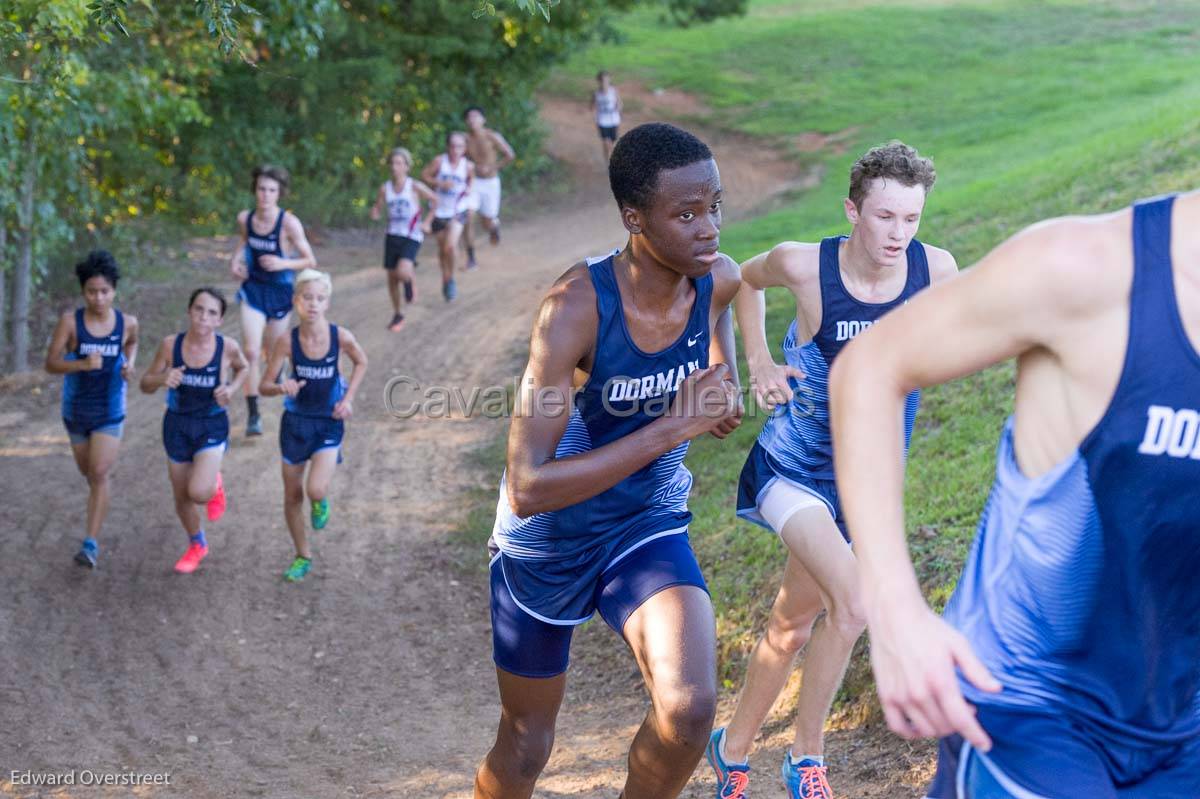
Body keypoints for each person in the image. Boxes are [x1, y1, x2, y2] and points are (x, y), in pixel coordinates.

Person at [830, 191, 1200, 798]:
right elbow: (870, 367)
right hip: (1029, 704)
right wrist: (894, 609)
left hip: (1182, 717)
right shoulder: (1086, 269)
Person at [475, 122, 743, 799]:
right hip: (549, 540)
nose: (709, 227)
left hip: (643, 521)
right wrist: (671, 426)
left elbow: (720, 327)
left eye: (715, 205)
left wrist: (723, 383)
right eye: (686, 214)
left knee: (688, 709)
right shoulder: (575, 308)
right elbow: (530, 483)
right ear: (634, 219)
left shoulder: (716, 279)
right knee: (527, 744)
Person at [707, 142, 957, 799]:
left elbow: (962, 338)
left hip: (861, 488)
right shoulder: (806, 266)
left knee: (790, 626)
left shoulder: (937, 269)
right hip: (791, 470)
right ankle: (806, 759)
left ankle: (730, 751)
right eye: (884, 217)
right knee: (854, 601)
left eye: (911, 218)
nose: (898, 234)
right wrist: (757, 359)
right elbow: (743, 281)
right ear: (852, 210)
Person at [260, 269, 367, 582]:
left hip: (328, 422)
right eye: (307, 298)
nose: (313, 304)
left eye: (320, 298)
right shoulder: (286, 341)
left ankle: (320, 502)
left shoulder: (340, 337)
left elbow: (362, 361)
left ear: (327, 303)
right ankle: (302, 554)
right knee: (292, 496)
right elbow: (264, 384)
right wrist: (282, 387)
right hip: (294, 424)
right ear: (296, 301)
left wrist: (347, 399)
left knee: (315, 488)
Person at [139, 288, 248, 573]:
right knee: (182, 497)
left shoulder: (227, 348)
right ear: (189, 311)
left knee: (199, 492)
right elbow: (144, 384)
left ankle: (215, 486)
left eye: (212, 312)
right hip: (177, 425)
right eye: (199, 309)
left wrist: (232, 389)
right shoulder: (170, 346)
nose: (203, 317)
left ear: (220, 320)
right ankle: (197, 544)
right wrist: (163, 378)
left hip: (211, 424)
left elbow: (244, 368)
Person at [45, 250, 140, 569]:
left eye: (104, 291)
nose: (98, 298)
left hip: (110, 407)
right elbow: (51, 363)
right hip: (76, 410)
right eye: (91, 291)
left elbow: (132, 343)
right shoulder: (71, 323)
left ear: (114, 290)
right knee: (89, 473)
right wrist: (81, 364)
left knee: (99, 472)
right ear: (83, 291)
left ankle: (90, 544)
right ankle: (97, 508)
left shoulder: (127, 323)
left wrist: (129, 363)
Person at [229, 164, 317, 437]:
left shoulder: (288, 223)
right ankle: (254, 413)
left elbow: (310, 260)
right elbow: (244, 242)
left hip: (279, 293)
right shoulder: (246, 218)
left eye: (271, 190)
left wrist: (282, 262)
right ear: (254, 190)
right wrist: (235, 261)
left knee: (273, 353)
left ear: (279, 193)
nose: (265, 195)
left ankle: (276, 372)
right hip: (253, 290)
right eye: (261, 189)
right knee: (251, 351)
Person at [370, 147, 438, 332]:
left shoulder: (414, 186)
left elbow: (435, 200)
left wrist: (428, 222)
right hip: (392, 235)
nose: (394, 166)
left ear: (407, 166)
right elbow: (377, 207)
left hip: (412, 235)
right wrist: (375, 212)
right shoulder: (385, 189)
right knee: (392, 279)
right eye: (392, 163)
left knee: (401, 272)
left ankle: (408, 279)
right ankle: (398, 314)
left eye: (399, 163)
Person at [421, 132, 475, 302]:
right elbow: (425, 175)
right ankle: (446, 278)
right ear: (447, 147)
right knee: (442, 249)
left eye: (459, 146)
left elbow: (471, 181)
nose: (455, 149)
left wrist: (468, 189)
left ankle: (450, 280)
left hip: (457, 210)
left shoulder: (468, 166)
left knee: (450, 247)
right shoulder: (439, 161)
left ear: (464, 149)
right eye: (452, 146)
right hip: (438, 211)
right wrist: (440, 183)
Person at [463, 106, 516, 269]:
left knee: (487, 222)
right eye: (469, 117)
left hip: (491, 183)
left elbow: (509, 155)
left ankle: (494, 227)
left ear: (483, 120)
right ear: (466, 121)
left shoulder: (492, 136)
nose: (472, 120)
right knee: (468, 216)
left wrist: (493, 168)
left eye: (476, 116)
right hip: (473, 182)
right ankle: (471, 258)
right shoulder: (464, 140)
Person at [590, 70, 623, 162]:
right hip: (602, 121)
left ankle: (612, 162)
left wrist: (619, 108)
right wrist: (595, 118)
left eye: (606, 80)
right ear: (599, 81)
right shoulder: (596, 94)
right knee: (605, 143)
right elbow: (592, 107)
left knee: (612, 144)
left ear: (609, 80)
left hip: (614, 120)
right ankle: (607, 162)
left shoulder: (614, 91)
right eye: (602, 80)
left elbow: (619, 103)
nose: (604, 82)